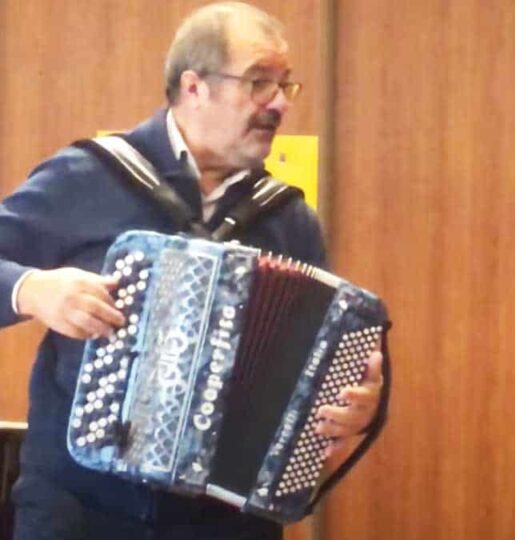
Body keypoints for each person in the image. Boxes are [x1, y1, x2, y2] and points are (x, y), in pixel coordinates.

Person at [0, 3, 386, 539]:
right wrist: (31, 289)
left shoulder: (288, 219)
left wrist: (361, 410)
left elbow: (330, 366)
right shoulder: (90, 176)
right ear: (194, 86)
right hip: (79, 512)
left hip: (226, 523)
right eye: (258, 82)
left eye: (284, 86)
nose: (277, 103)